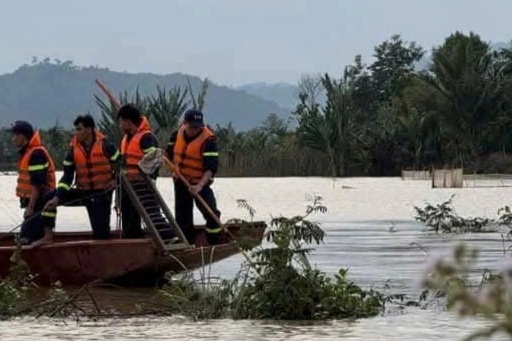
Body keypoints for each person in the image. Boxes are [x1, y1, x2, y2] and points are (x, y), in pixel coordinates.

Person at [44, 114, 119, 240]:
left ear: (89, 129)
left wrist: (115, 180)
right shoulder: (73, 151)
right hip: (83, 193)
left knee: (101, 233)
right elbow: (67, 178)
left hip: (101, 194)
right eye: (75, 129)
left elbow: (122, 165)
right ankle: (47, 236)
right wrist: (57, 197)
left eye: (79, 129)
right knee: (48, 198)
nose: (76, 132)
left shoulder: (106, 146)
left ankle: (104, 248)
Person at [118, 103, 178, 243]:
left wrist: (148, 178)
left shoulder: (146, 138)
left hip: (142, 185)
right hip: (127, 186)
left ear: (128, 121)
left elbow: (154, 161)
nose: (120, 125)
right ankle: (132, 244)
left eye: (121, 122)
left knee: (153, 215)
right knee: (129, 218)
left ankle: (170, 238)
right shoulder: (127, 138)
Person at [166, 109, 223, 246]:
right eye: (192, 127)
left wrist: (199, 186)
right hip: (181, 182)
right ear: (184, 124)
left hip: (200, 183)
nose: (195, 130)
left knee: (212, 215)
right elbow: (168, 155)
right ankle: (186, 243)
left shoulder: (208, 141)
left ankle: (214, 242)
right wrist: (171, 167)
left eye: (198, 127)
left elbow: (210, 169)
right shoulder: (176, 136)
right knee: (182, 218)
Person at [11, 120, 56, 246]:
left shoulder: (36, 154)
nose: (13, 139)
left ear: (22, 136)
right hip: (35, 203)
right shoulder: (28, 152)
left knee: (25, 238)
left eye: (15, 136)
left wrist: (30, 207)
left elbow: (37, 184)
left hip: (40, 203)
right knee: (28, 236)